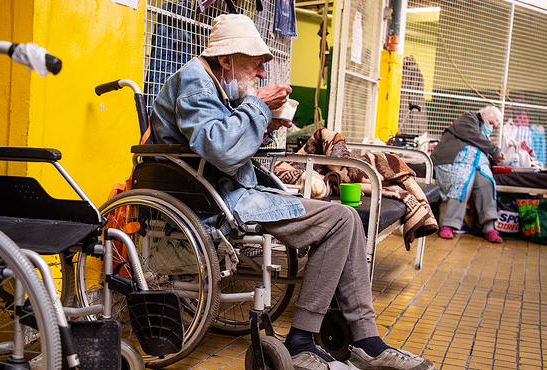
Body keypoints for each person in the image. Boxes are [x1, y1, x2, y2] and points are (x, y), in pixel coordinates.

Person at [150, 13, 435, 370]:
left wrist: (267, 121)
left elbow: (229, 144)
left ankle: (365, 340)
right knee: (340, 220)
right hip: (211, 201)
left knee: (345, 220)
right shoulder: (195, 84)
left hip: (229, 192)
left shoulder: (217, 85)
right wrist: (258, 106)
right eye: (255, 66)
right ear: (226, 59)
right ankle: (313, 341)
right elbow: (221, 147)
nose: (261, 74)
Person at [430, 106, 506, 243]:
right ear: (483, 114)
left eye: (494, 125)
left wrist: (493, 157)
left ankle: (490, 228)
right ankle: (448, 224)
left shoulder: (483, 135)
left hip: (476, 165)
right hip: (454, 162)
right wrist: (494, 150)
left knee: (487, 183)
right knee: (462, 181)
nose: (492, 127)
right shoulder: (469, 118)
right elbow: (473, 136)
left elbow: (481, 146)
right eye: (491, 122)